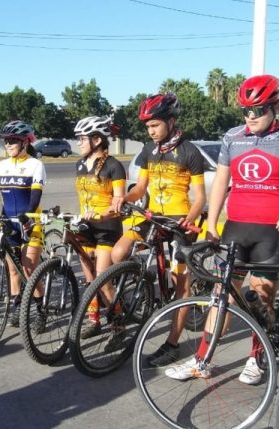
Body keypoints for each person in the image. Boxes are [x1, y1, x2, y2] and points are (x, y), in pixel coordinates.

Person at [162, 74, 279, 383]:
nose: (251, 117)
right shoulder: (233, 137)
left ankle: (257, 358)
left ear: (276, 106)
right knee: (221, 295)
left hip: (273, 230)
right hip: (235, 228)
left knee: (261, 297)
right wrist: (212, 223)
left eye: (259, 110)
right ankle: (202, 359)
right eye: (246, 111)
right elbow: (221, 183)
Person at [110, 93, 207, 359]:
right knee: (118, 253)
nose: (151, 131)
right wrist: (123, 198)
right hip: (152, 215)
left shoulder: (190, 152)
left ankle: (173, 344)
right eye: (148, 127)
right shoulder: (148, 150)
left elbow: (200, 197)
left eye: (155, 125)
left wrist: (191, 217)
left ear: (171, 121)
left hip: (179, 219)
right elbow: (140, 187)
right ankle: (140, 289)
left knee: (180, 284)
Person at [0, 120, 46, 327]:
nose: (9, 145)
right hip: (8, 222)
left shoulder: (35, 165)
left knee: (30, 269)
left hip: (29, 222)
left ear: (25, 142)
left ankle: (41, 310)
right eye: (6, 142)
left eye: (13, 141)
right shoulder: (1, 166)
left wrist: (28, 215)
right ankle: (17, 308)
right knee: (13, 270)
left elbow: (35, 195)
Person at [71, 116, 126, 338]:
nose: (79, 143)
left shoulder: (114, 166)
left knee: (103, 280)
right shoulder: (80, 164)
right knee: (89, 280)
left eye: (82, 139)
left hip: (107, 228)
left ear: (96, 139)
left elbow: (120, 201)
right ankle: (93, 320)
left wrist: (102, 213)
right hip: (86, 227)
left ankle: (118, 323)